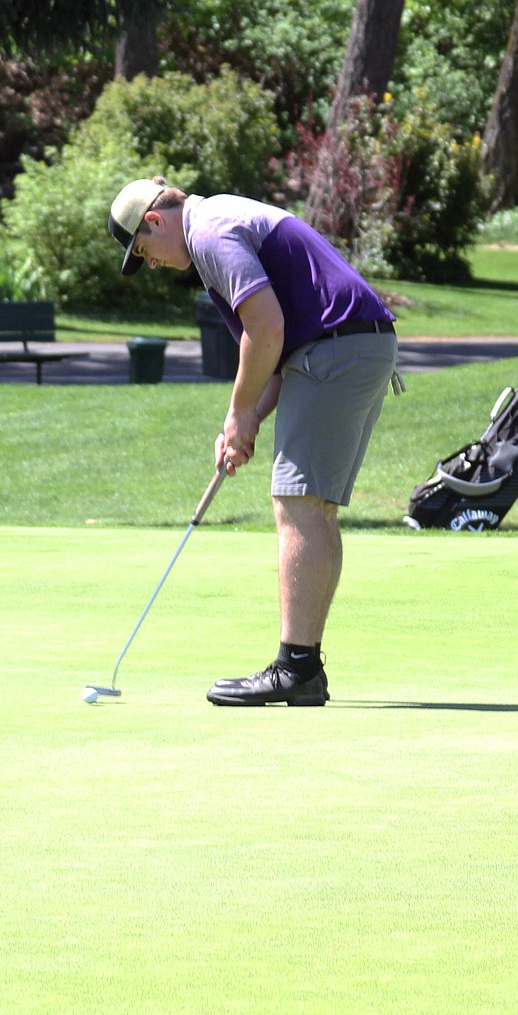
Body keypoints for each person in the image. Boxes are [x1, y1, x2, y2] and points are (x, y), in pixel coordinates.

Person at [108, 177, 401, 707]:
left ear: (154, 221)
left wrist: (239, 411)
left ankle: (296, 668)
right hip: (353, 345)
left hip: (337, 349)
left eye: (144, 252)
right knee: (314, 507)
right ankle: (303, 666)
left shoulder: (210, 234)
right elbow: (276, 348)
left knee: (299, 505)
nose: (151, 263)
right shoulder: (220, 219)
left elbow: (265, 329)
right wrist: (244, 424)